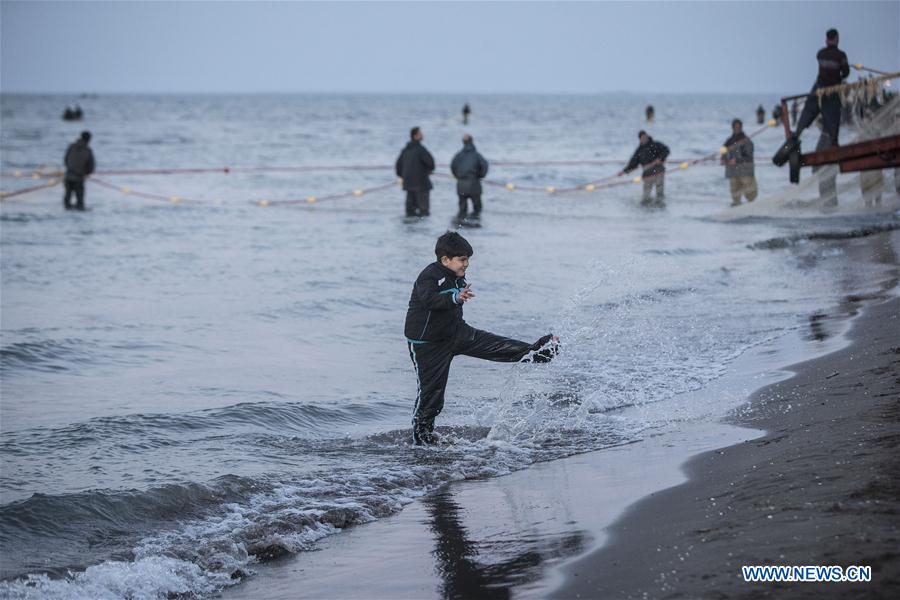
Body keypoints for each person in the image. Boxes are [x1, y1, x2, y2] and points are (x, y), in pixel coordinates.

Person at [404, 232, 559, 445]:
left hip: (457, 332)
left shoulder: (457, 275)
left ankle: (542, 351)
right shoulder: (429, 276)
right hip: (428, 345)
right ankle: (422, 442)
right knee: (432, 396)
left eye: (468, 259)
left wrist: (457, 297)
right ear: (445, 260)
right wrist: (455, 297)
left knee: (500, 346)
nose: (466, 264)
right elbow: (429, 300)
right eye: (462, 259)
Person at [793, 28, 850, 146]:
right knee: (833, 118)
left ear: (826, 39)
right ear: (836, 39)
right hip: (832, 91)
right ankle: (834, 144)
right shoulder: (841, 55)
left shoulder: (820, 54)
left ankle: (795, 136)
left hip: (818, 88)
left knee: (808, 111)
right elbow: (845, 73)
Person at [618, 130, 670, 207]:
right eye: (642, 138)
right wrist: (624, 171)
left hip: (658, 170)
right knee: (646, 195)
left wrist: (660, 159)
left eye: (645, 137)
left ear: (647, 136)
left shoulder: (655, 144)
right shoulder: (639, 150)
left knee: (659, 192)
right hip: (647, 173)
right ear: (640, 139)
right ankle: (645, 208)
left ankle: (660, 206)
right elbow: (633, 163)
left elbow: (666, 150)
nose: (644, 139)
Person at [396, 127, 435, 218]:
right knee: (424, 213)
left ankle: (411, 231)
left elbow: (398, 167)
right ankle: (421, 232)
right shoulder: (421, 149)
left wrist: (404, 176)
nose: (422, 135)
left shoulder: (405, 150)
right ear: (415, 136)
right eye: (420, 134)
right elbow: (431, 163)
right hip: (421, 185)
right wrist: (428, 171)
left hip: (408, 185)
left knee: (409, 213)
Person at [450, 134, 489, 220]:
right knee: (477, 210)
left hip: (461, 185)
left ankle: (461, 227)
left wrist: (458, 176)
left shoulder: (458, 155)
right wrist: (480, 176)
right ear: (472, 141)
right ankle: (474, 228)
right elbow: (485, 166)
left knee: (462, 210)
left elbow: (453, 167)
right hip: (474, 185)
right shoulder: (476, 155)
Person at [721, 119, 758, 206]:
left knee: (751, 193)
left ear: (741, 127)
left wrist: (737, 160)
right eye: (735, 127)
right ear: (732, 128)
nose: (737, 128)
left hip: (745, 169)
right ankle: (736, 204)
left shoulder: (746, 141)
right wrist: (724, 160)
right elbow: (724, 152)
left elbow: (749, 156)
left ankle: (752, 206)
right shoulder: (729, 141)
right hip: (733, 170)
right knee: (734, 190)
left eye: (739, 127)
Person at [63, 130, 95, 210]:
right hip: (79, 178)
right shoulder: (88, 150)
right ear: (89, 139)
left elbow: (66, 159)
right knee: (80, 201)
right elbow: (91, 166)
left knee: (67, 196)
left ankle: (67, 208)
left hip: (68, 176)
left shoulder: (71, 146)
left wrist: (70, 169)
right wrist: (86, 173)